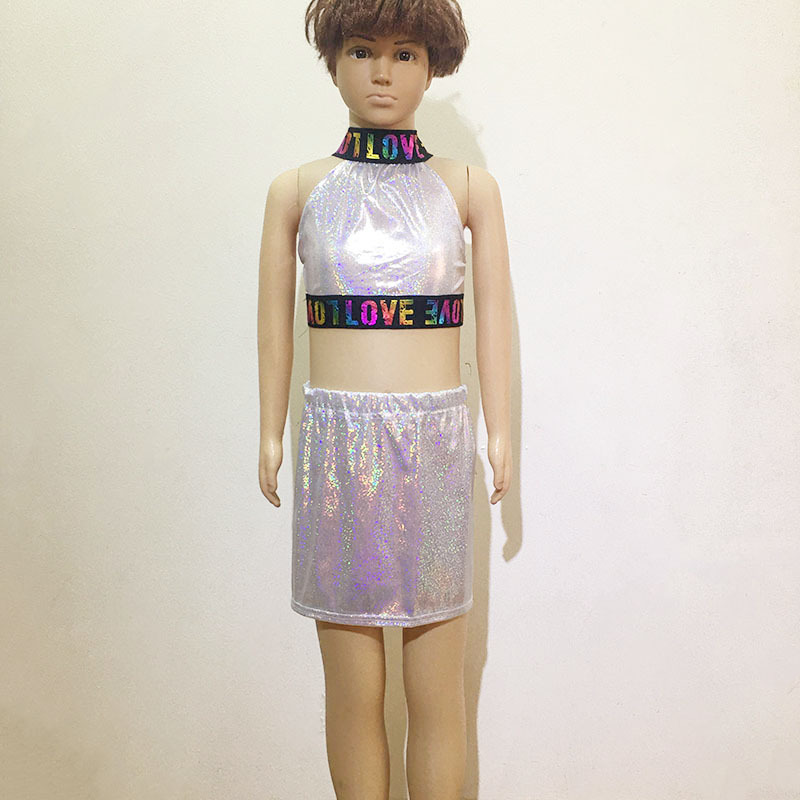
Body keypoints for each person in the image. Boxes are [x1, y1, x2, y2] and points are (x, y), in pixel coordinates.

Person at [257, 1, 512, 796]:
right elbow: (272, 326)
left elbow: (498, 319)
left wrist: (501, 432)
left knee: (438, 694)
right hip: (338, 456)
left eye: (405, 54)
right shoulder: (297, 190)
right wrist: (271, 432)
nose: (381, 72)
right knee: (352, 692)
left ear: (432, 66)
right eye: (363, 50)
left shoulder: (467, 188)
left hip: (434, 453)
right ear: (334, 59)